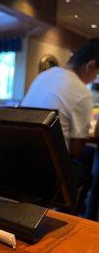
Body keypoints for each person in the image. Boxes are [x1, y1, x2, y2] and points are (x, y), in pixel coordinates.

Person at [22, 38, 99, 214]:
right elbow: (75, 150)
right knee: (88, 162)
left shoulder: (44, 75)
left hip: (20, 158)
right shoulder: (81, 92)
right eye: (96, 74)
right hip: (48, 169)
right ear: (91, 65)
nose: (94, 79)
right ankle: (77, 217)